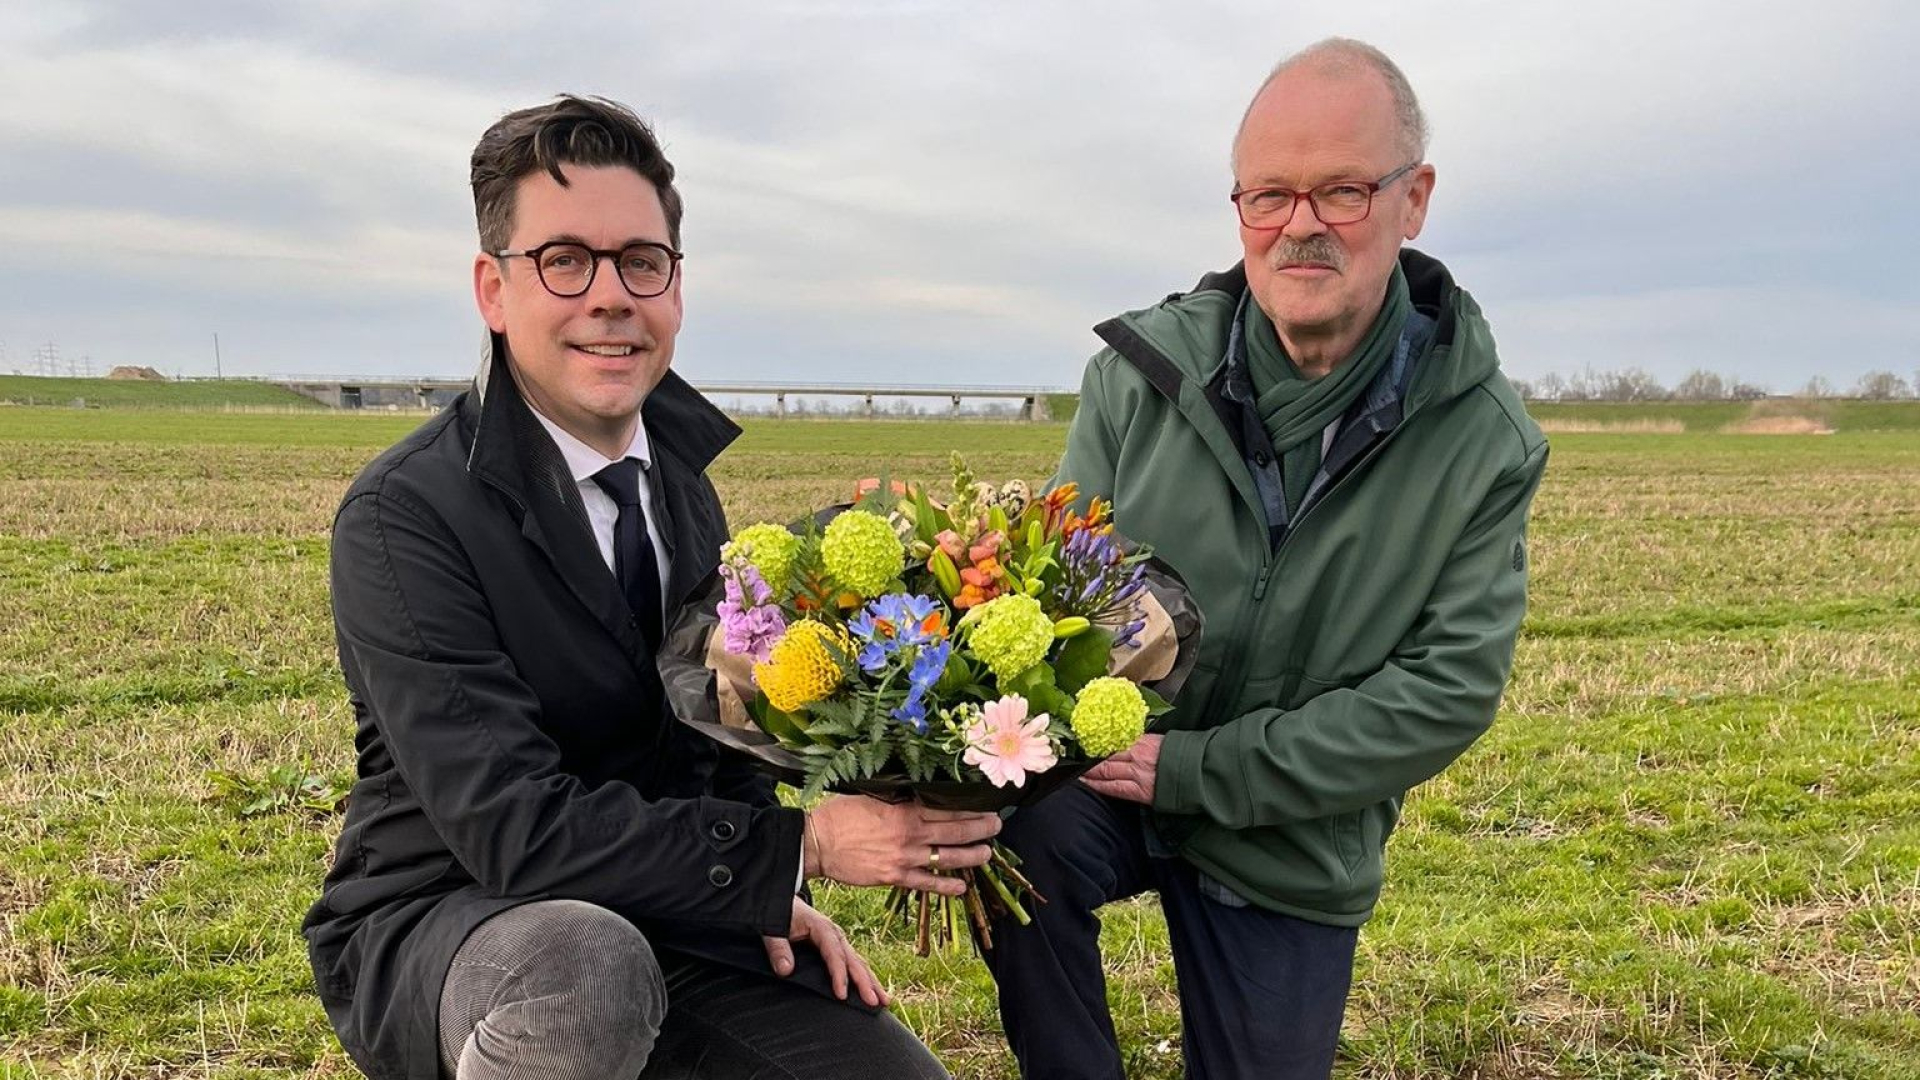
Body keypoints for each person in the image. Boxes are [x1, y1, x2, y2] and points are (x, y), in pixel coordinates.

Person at [302, 95, 1002, 1080]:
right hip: (457, 920)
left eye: (642, 260)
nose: (610, 295)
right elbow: (513, 827)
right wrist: (791, 853)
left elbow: (712, 737)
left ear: (675, 286)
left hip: (663, 905)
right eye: (563, 261)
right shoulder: (406, 517)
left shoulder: (681, 487)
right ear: (493, 292)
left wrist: (761, 889)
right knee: (590, 977)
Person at [982, 39, 1548, 1080]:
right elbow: (1066, 595)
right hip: (1111, 777)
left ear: (1413, 199)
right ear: (1238, 206)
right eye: (1270, 196)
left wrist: (1204, 770)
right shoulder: (1137, 379)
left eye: (1341, 191)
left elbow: (1444, 692)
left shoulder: (1481, 441)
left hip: (1289, 823)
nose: (1301, 226)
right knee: (1011, 841)